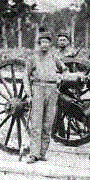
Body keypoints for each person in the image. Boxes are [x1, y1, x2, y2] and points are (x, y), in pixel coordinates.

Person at [23, 31, 69, 164]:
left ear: (50, 44)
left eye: (47, 42)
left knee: (48, 123)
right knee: (36, 123)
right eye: (42, 42)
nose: (45, 45)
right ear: (39, 44)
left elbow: (64, 69)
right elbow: (26, 76)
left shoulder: (54, 58)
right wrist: (28, 93)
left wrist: (61, 77)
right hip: (38, 89)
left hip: (52, 90)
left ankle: (42, 153)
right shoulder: (33, 58)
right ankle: (34, 154)